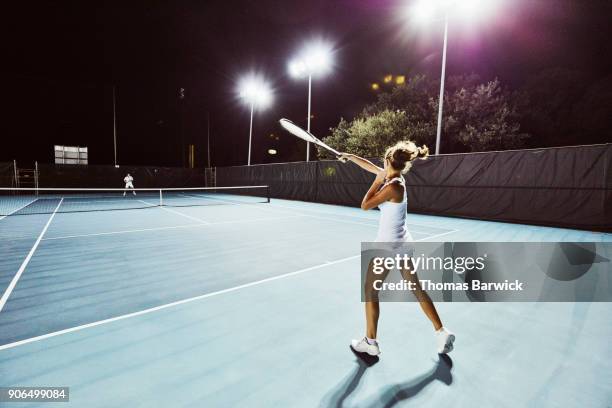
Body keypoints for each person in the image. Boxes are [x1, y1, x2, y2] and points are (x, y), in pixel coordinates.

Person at [338, 141, 455, 356]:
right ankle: (441, 332)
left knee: (370, 290)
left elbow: (365, 205)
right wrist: (350, 156)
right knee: (416, 288)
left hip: (388, 247)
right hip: (403, 243)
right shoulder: (393, 176)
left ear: (387, 160)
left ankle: (370, 342)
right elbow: (368, 165)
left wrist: (376, 181)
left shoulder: (393, 186)